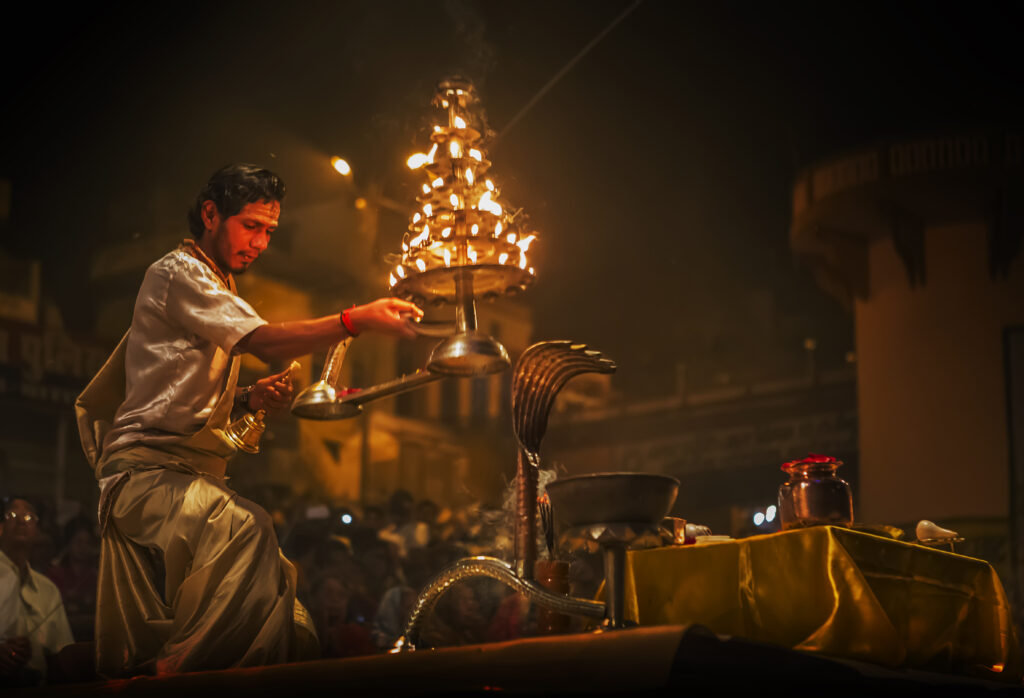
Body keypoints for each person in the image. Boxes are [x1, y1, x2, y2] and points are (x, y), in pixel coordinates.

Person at [75, 163, 422, 676]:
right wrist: (352, 321)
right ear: (211, 215)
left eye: (269, 231)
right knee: (248, 529)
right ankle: (180, 678)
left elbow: (173, 385)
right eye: (251, 226)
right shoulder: (177, 272)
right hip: (145, 475)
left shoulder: (219, 282)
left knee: (275, 579)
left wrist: (248, 397)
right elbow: (262, 340)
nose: (260, 242)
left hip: (184, 472)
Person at [0, 497, 74, 687]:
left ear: (38, 532)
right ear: (0, 527)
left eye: (30, 517)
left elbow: (60, 654)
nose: (21, 521)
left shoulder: (48, 590)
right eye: (13, 515)